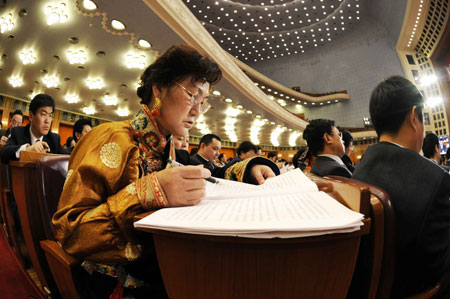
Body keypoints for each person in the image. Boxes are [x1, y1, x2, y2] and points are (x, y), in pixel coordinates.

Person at [53, 44, 277, 298]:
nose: (197, 111)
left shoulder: (167, 146)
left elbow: (211, 176)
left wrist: (251, 167)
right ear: (159, 88)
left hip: (159, 267)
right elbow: (69, 233)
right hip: (115, 282)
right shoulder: (111, 137)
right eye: (191, 95)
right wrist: (148, 192)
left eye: (203, 102)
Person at [352, 76, 450, 298]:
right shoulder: (435, 179)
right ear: (413, 117)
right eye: (423, 118)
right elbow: (437, 268)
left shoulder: (359, 171)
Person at [1, 95, 69, 163]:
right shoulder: (18, 132)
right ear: (31, 116)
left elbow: (69, 158)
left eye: (50, 115)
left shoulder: (54, 139)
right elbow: (4, 153)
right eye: (43, 114)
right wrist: (27, 149)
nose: (47, 120)